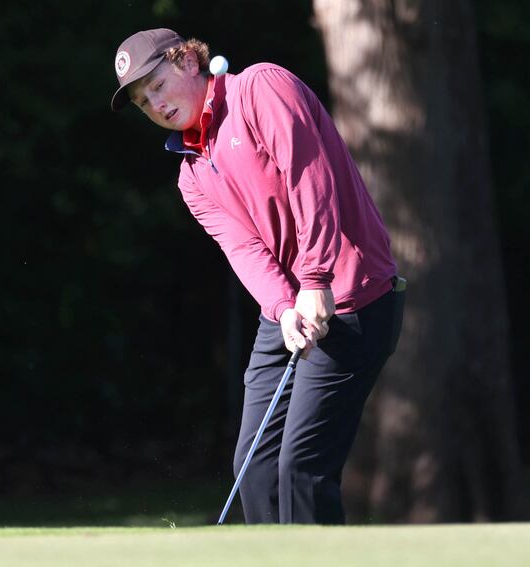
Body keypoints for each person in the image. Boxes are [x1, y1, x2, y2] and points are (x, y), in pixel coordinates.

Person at [110, 28, 404, 524]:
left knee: (302, 469)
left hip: (354, 298)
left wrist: (315, 280)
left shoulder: (260, 88)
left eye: (156, 85)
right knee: (256, 468)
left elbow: (311, 179)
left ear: (186, 61)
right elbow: (243, 248)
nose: (155, 104)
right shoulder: (191, 173)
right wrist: (285, 306)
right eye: (142, 101)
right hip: (289, 310)